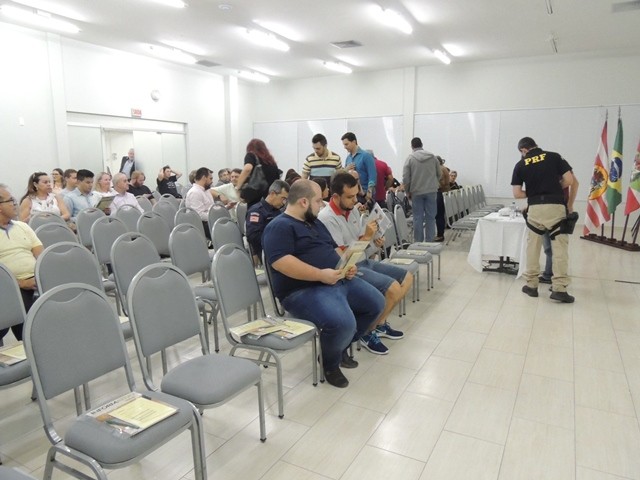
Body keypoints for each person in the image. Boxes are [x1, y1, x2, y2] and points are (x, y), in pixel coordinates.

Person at [263, 180, 385, 388]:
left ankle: (337, 346)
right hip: (302, 290)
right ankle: (330, 363)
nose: (322, 205)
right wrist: (320, 275)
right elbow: (281, 263)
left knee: (376, 304)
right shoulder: (279, 226)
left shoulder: (315, 223)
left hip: (335, 279)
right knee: (343, 323)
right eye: (318, 201)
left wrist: (347, 265)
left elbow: (334, 250)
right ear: (303, 202)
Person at [318, 172, 412, 355]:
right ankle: (367, 332)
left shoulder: (352, 210)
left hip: (363, 260)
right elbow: (343, 259)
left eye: (356, 195)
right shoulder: (326, 218)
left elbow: (360, 241)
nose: (355, 200)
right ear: (335, 196)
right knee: (393, 288)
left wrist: (374, 240)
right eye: (350, 197)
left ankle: (379, 324)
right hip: (351, 268)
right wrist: (367, 237)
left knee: (407, 278)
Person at [511, 136, 575, 303]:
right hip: (555, 206)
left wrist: (535, 191)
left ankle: (531, 286)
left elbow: (517, 194)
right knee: (559, 248)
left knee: (533, 247)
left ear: (523, 150)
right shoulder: (554, 156)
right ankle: (559, 289)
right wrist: (552, 188)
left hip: (535, 209)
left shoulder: (520, 165)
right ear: (535, 145)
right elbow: (569, 180)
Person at [0, 184, 43, 343]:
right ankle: (32, 345)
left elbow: (41, 256)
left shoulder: (23, 227)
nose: (15, 203)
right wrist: (20, 283)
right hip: (9, 287)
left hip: (36, 280)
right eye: (10, 200)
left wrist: (42, 277)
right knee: (23, 307)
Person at [539, 170, 579, 283]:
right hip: (543, 209)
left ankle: (557, 278)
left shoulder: (560, 166)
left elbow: (575, 183)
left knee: (558, 247)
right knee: (548, 247)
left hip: (558, 209)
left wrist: (570, 204)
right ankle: (549, 274)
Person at [403, 137, 441, 242]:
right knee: (431, 217)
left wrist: (407, 191)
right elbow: (439, 173)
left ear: (412, 146)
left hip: (416, 192)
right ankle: (430, 242)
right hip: (431, 191)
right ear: (422, 144)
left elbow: (406, 178)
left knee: (417, 218)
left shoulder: (410, 159)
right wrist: (433, 184)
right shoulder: (432, 157)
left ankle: (418, 242)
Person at [245, 179, 289, 264]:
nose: (284, 203)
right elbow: (253, 236)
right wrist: (276, 240)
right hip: (269, 253)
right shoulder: (256, 211)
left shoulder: (278, 211)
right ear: (272, 194)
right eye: (283, 198)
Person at [237, 138, 282, 207]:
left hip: (256, 198)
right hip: (270, 198)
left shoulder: (251, 155)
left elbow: (247, 168)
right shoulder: (272, 162)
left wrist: (238, 187)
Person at [341, 132, 376, 201]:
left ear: (354, 142)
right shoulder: (348, 158)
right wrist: (346, 170)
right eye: (344, 145)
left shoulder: (366, 156)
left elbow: (372, 175)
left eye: (346, 144)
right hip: (351, 194)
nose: (344, 147)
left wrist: (369, 193)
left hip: (364, 195)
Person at [185, 167, 215, 240]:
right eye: (210, 178)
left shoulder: (206, 191)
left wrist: (225, 208)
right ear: (204, 178)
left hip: (209, 222)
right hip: (201, 225)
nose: (212, 181)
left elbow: (211, 207)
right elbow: (199, 215)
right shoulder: (194, 192)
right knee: (225, 233)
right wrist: (214, 216)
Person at [435, 156, 450, 242]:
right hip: (444, 193)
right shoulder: (444, 168)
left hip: (440, 193)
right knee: (440, 215)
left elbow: (441, 183)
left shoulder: (440, 169)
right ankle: (440, 234)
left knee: (439, 215)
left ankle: (440, 235)